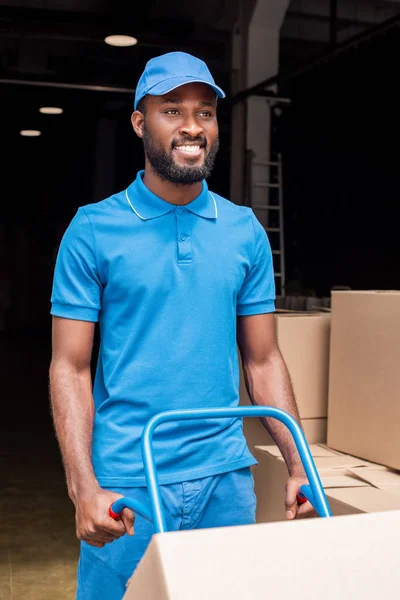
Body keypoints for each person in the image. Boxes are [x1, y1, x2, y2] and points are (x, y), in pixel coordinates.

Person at [49, 51, 314, 600]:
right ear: (140, 123)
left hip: (226, 480)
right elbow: (69, 366)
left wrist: (298, 464)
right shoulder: (94, 229)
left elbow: (263, 360)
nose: (193, 125)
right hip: (129, 481)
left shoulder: (243, 232)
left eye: (205, 111)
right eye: (172, 110)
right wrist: (83, 489)